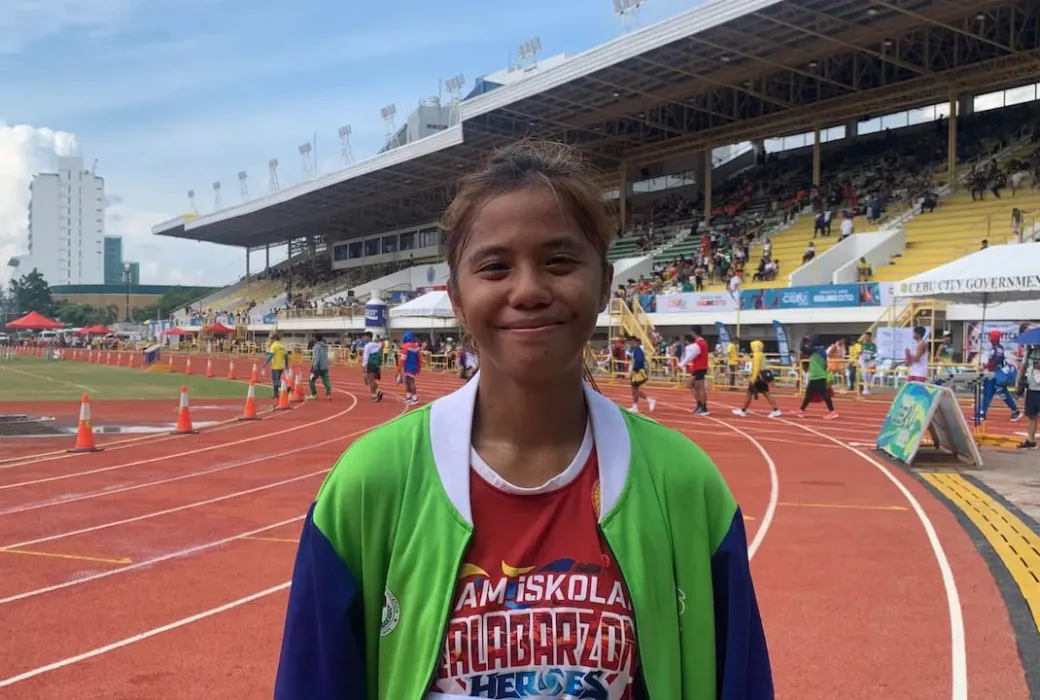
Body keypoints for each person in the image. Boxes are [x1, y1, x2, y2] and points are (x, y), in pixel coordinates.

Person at [273, 140, 772, 699]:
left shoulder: (685, 486)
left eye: (559, 261)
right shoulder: (369, 484)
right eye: (494, 267)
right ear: (457, 297)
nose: (529, 290)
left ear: (605, 284)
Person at [731, 340, 781, 418]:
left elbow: (756, 368)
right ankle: (743, 410)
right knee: (764, 393)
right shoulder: (761, 354)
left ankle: (743, 411)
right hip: (762, 377)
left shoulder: (757, 355)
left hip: (757, 378)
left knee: (751, 394)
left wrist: (753, 379)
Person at [980, 328, 1021, 421]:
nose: (989, 337)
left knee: (1003, 394)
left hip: (998, 375)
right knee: (987, 393)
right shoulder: (993, 348)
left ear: (994, 337)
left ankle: (1015, 411)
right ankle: (982, 413)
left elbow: (995, 361)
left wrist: (985, 366)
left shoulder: (998, 348)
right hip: (992, 374)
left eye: (990, 335)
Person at [794, 335, 838, 420]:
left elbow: (802, 348)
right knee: (808, 395)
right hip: (816, 376)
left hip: (818, 376)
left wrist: (804, 339)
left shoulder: (815, 350)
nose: (809, 343)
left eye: (811, 341)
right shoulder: (821, 351)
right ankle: (801, 410)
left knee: (824, 395)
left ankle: (833, 412)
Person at [679, 325, 711, 415]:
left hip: (699, 368)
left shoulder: (698, 344)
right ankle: (701, 405)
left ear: (693, 332)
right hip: (700, 368)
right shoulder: (702, 343)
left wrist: (681, 364)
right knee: (696, 387)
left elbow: (690, 357)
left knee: (697, 387)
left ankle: (702, 406)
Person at [1015, 336, 1039, 449]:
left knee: (1032, 416)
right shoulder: (1030, 352)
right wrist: (1018, 381)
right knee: (1031, 416)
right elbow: (1023, 367)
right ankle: (1030, 441)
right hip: (1032, 389)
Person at [627, 335, 656, 413]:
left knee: (634, 389)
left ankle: (647, 401)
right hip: (636, 371)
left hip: (638, 372)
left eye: (630, 343)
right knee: (634, 390)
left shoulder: (638, 350)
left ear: (634, 342)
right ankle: (636, 405)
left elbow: (639, 361)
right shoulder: (635, 350)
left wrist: (634, 369)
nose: (629, 344)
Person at [261, 333, 289, 401]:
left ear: (274, 339)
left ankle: (285, 387)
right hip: (281, 365)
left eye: (271, 338)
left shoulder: (273, 346)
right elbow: (286, 356)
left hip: (275, 365)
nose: (270, 340)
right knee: (277, 380)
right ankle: (276, 395)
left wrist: (264, 364)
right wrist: (286, 365)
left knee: (275, 381)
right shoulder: (282, 346)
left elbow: (270, 356)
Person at [397, 331, 422, 405]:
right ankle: (409, 397)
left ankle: (415, 398)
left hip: (408, 366)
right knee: (408, 381)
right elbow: (419, 358)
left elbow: (403, 358)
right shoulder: (416, 346)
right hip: (414, 366)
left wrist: (399, 369)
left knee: (410, 382)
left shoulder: (406, 346)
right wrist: (418, 367)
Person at [360, 331, 383, 403]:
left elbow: (366, 357)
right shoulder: (376, 344)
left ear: (368, 337)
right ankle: (378, 391)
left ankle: (374, 395)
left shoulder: (368, 346)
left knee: (371, 380)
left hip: (371, 364)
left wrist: (364, 367)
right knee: (372, 380)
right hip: (376, 364)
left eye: (364, 337)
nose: (363, 338)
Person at [308, 334, 332, 400]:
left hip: (318, 366)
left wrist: (315, 367)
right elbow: (328, 357)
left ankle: (313, 394)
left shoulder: (316, 347)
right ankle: (328, 394)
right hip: (325, 366)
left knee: (311, 380)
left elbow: (317, 358)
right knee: (326, 380)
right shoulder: (325, 346)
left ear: (315, 339)